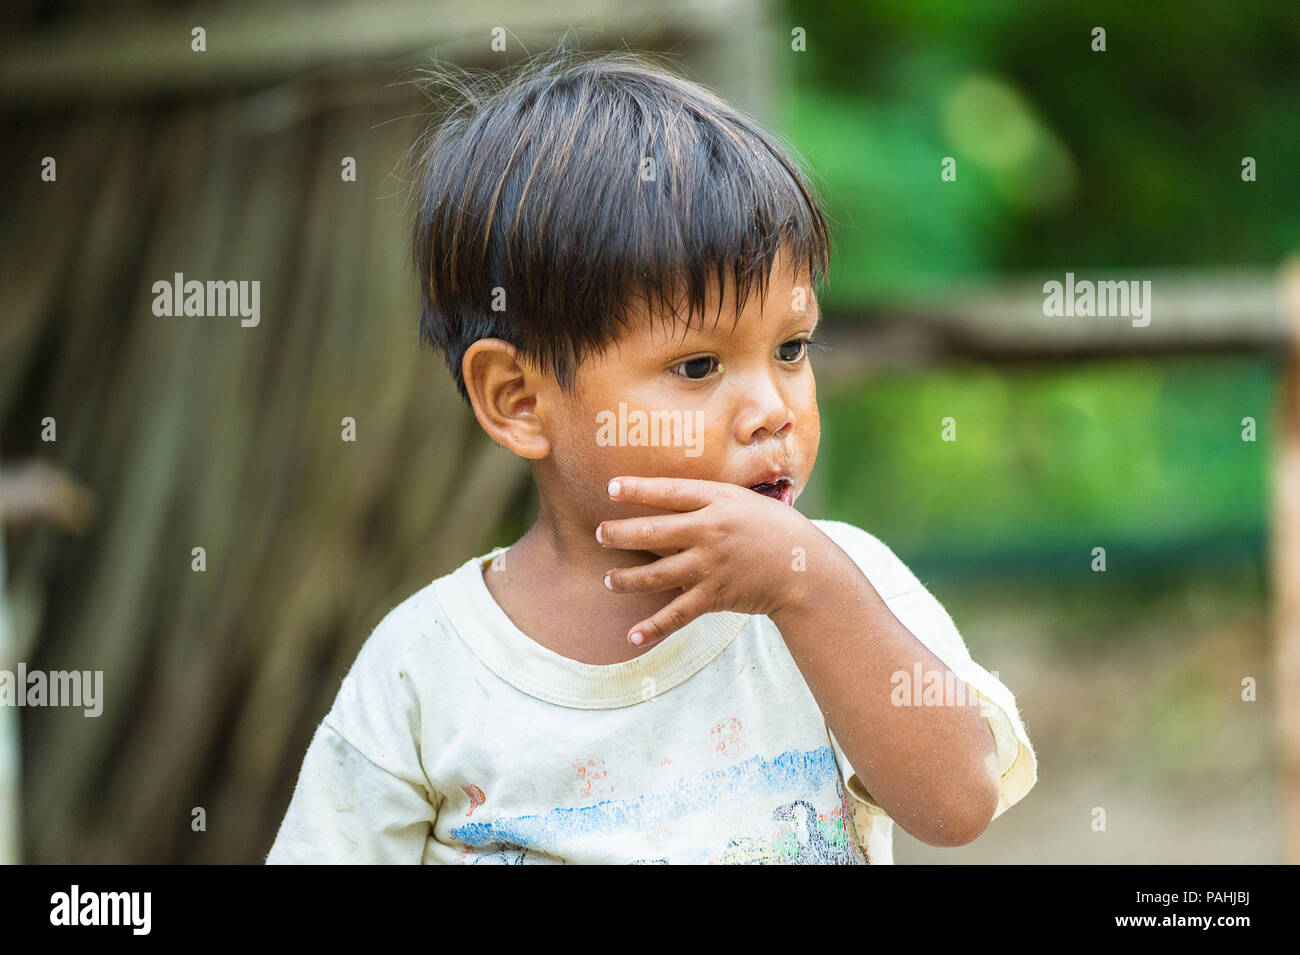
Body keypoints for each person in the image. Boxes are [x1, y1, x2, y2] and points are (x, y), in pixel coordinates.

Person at [267, 47, 1036, 864]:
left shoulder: (842, 585)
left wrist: (810, 592)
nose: (773, 409)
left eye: (792, 348)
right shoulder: (424, 673)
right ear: (519, 400)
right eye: (699, 366)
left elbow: (957, 804)